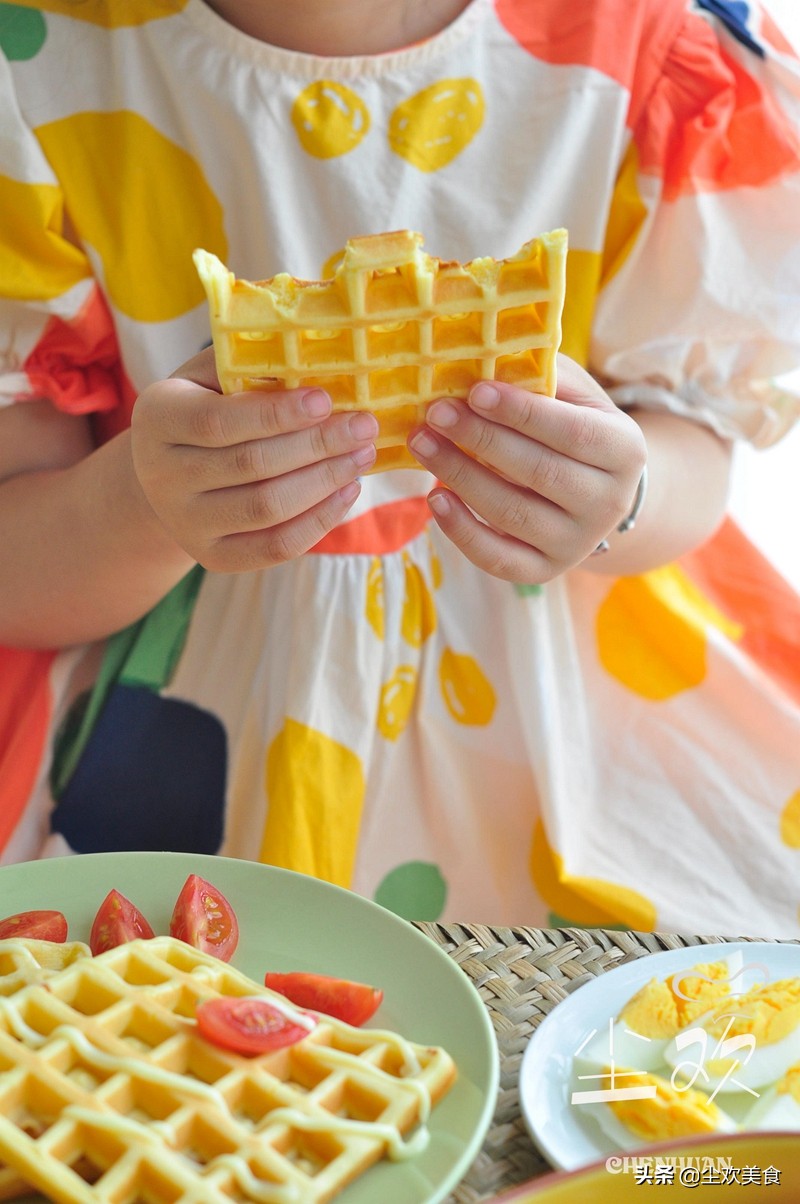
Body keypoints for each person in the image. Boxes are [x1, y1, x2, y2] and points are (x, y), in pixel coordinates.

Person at [1, 0, 799, 934]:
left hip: (573, 683)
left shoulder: (655, 48)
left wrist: (621, 497)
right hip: (182, 708)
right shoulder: (38, 60)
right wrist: (145, 500)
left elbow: (693, 438)